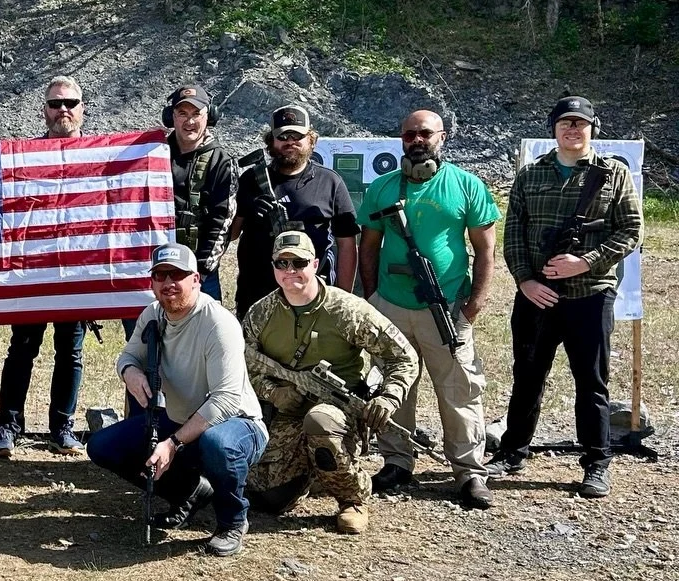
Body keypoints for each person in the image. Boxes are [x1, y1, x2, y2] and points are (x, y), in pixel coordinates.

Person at [496, 95, 643, 499]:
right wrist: (525, 280)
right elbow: (514, 235)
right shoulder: (530, 175)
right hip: (537, 295)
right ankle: (513, 451)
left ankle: (596, 461)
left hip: (590, 295)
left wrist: (587, 262)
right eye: (565, 123)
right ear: (554, 128)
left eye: (580, 123)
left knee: (592, 382)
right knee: (527, 376)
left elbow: (631, 230)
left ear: (592, 128)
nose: (572, 129)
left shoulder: (612, 174)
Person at [358, 108, 499, 509]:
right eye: (409, 135)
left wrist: (473, 305)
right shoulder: (383, 187)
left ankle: (469, 471)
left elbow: (486, 251)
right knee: (395, 385)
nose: (417, 141)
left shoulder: (466, 186)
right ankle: (397, 460)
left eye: (424, 133)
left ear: (442, 137)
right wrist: (373, 298)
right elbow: (369, 246)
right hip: (391, 306)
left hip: (447, 307)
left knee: (459, 389)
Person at [88, 243, 267, 556]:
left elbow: (224, 401)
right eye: (160, 275)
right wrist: (130, 373)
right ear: (152, 282)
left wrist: (172, 444)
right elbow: (128, 355)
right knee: (102, 446)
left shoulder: (218, 323)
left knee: (217, 444)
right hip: (179, 417)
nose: (168, 282)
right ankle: (190, 492)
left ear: (196, 279)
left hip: (236, 423)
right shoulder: (153, 314)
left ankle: (232, 521)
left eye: (178, 274)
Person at [242, 230, 418, 536]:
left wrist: (388, 398)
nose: (290, 271)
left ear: (316, 264)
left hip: (337, 412)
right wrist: (274, 392)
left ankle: (353, 500)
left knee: (320, 422)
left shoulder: (347, 310)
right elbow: (242, 367)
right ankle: (313, 471)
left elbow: (403, 356)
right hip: (286, 413)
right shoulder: (261, 314)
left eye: (298, 262)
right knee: (268, 498)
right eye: (281, 263)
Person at [0, 76, 90, 457]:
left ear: (82, 108)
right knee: (22, 347)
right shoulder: (25, 154)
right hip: (34, 269)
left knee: (71, 351)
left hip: (77, 271)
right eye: (55, 104)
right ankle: (8, 423)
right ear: (44, 110)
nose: (63, 110)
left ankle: (62, 425)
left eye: (70, 103)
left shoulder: (100, 155)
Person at [231, 105, 359, 319]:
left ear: (311, 140)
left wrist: (343, 298)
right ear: (271, 142)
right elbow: (231, 235)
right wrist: (246, 212)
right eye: (282, 136)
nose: (290, 142)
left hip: (314, 296)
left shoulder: (329, 181)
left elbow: (346, 244)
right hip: (257, 297)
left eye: (297, 136)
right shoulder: (251, 179)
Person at [164, 84, 237, 301]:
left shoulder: (221, 161)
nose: (190, 121)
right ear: (171, 117)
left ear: (209, 116)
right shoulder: (154, 154)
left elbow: (223, 220)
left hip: (201, 271)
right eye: (182, 114)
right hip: (160, 268)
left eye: (197, 114)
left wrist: (202, 271)